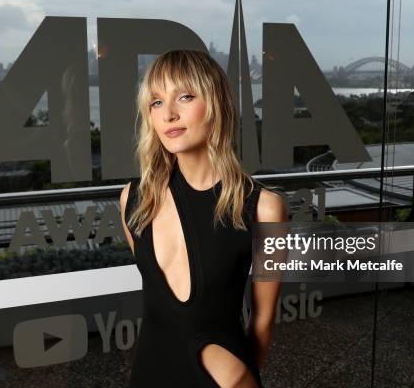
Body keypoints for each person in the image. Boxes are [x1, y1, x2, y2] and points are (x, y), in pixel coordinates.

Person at [119, 49, 288, 387]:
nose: (168, 114)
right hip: (149, 374)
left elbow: (264, 321)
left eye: (184, 96)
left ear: (215, 105)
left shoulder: (264, 208)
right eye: (156, 102)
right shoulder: (133, 200)